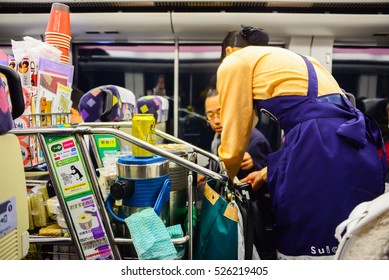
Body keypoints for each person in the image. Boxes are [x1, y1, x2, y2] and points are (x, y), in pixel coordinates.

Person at [216, 25, 386, 259]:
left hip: (320, 147)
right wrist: (265, 173)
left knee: (305, 240)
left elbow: (236, 132)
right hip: (354, 145)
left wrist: (221, 181)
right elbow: (315, 123)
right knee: (345, 238)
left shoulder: (235, 61)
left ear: (228, 51)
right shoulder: (295, 59)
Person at [197, 88, 272, 184]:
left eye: (220, 113)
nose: (216, 121)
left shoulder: (254, 140)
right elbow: (218, 164)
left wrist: (254, 166)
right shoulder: (218, 137)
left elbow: (268, 185)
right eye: (211, 116)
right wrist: (205, 172)